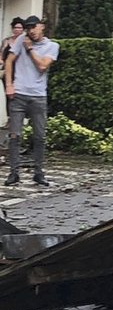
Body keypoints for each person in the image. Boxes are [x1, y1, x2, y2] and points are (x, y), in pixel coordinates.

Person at [4, 15, 59, 186]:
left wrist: (30, 50)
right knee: (15, 135)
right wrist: (9, 85)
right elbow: (9, 61)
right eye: (28, 28)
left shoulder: (52, 46)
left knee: (40, 136)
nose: (31, 31)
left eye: (33, 27)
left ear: (42, 26)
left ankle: (38, 172)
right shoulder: (21, 39)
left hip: (38, 95)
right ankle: (14, 173)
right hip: (19, 93)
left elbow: (42, 66)